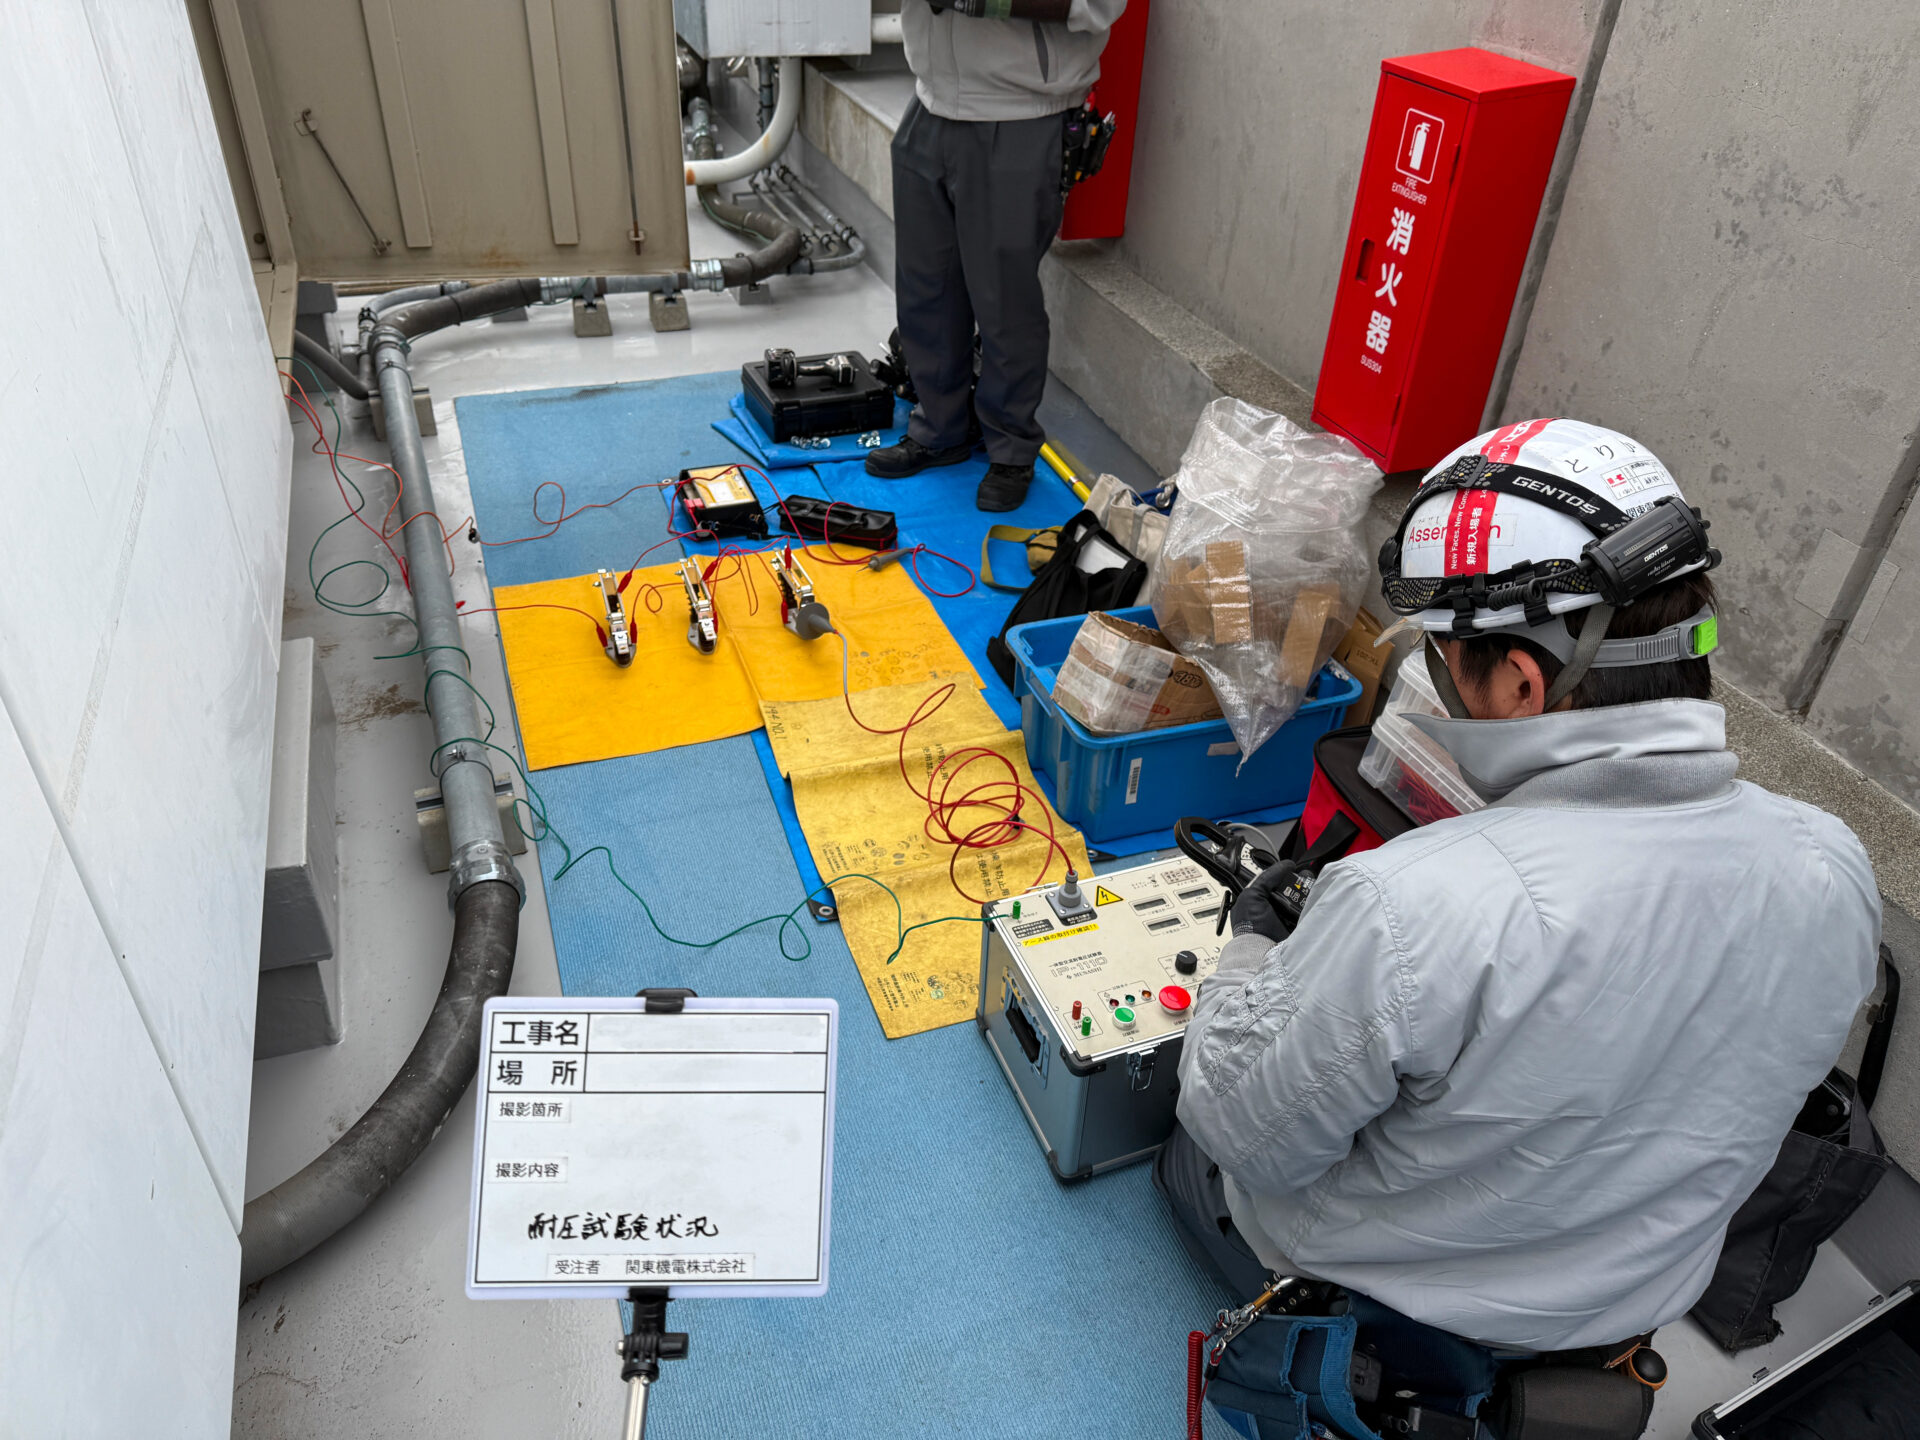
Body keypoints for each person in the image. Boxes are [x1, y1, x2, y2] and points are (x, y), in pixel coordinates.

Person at [1156, 419, 1882, 1354]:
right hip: (1630, 1307)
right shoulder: (1833, 863)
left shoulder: (1407, 905)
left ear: (1523, 686)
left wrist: (1253, 955)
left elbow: (1240, 1126)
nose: (1439, 687)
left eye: (1444, 661)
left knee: (1186, 1155)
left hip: (1396, 1313)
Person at [864, 0, 1127, 513]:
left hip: (1021, 110)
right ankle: (940, 428)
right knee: (926, 288)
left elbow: (1098, 4)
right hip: (931, 100)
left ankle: (1011, 448)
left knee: (1004, 301)